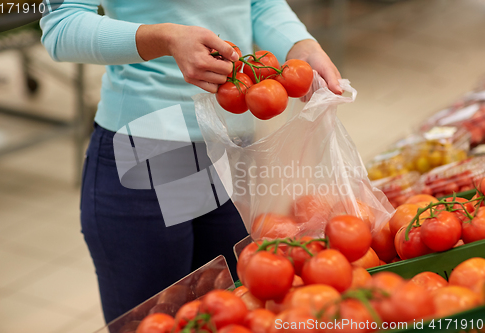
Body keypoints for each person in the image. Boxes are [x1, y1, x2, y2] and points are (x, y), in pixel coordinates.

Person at [40, 0, 342, 323]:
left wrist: (299, 44)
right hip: (151, 156)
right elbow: (62, 24)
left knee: (234, 315)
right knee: (157, 320)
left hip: (229, 151)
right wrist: (165, 39)